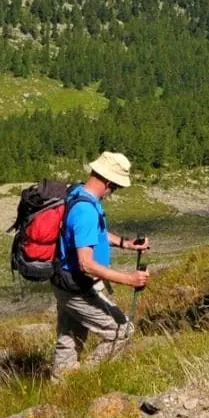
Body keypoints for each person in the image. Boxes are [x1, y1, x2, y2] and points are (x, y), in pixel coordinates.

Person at [52, 151, 151, 377]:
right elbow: (86, 264)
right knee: (122, 331)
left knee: (69, 338)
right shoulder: (86, 210)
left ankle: (61, 385)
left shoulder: (77, 193)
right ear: (107, 181)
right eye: (115, 187)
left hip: (64, 281)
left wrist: (126, 243)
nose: (113, 192)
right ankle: (87, 378)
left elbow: (95, 233)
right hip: (78, 287)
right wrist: (129, 278)